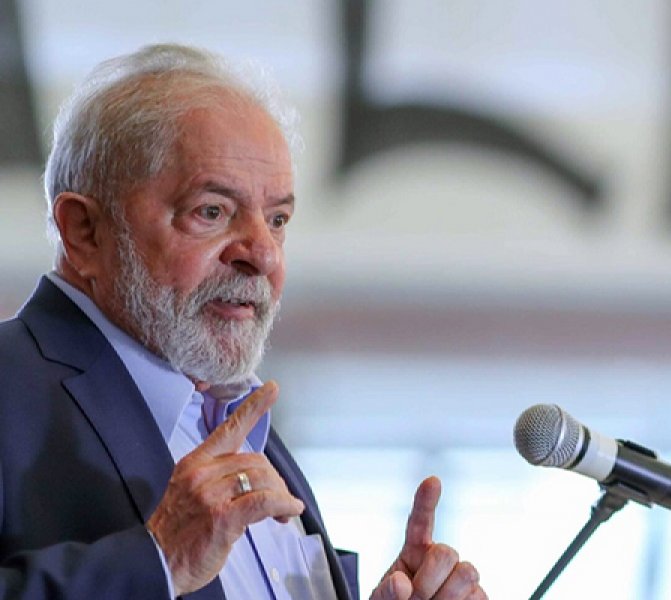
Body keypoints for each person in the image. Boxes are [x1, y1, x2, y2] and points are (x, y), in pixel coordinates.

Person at [0, 43, 487, 600]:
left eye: (277, 219)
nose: (264, 254)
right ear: (84, 231)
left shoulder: (238, 422)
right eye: (212, 211)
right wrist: (158, 561)